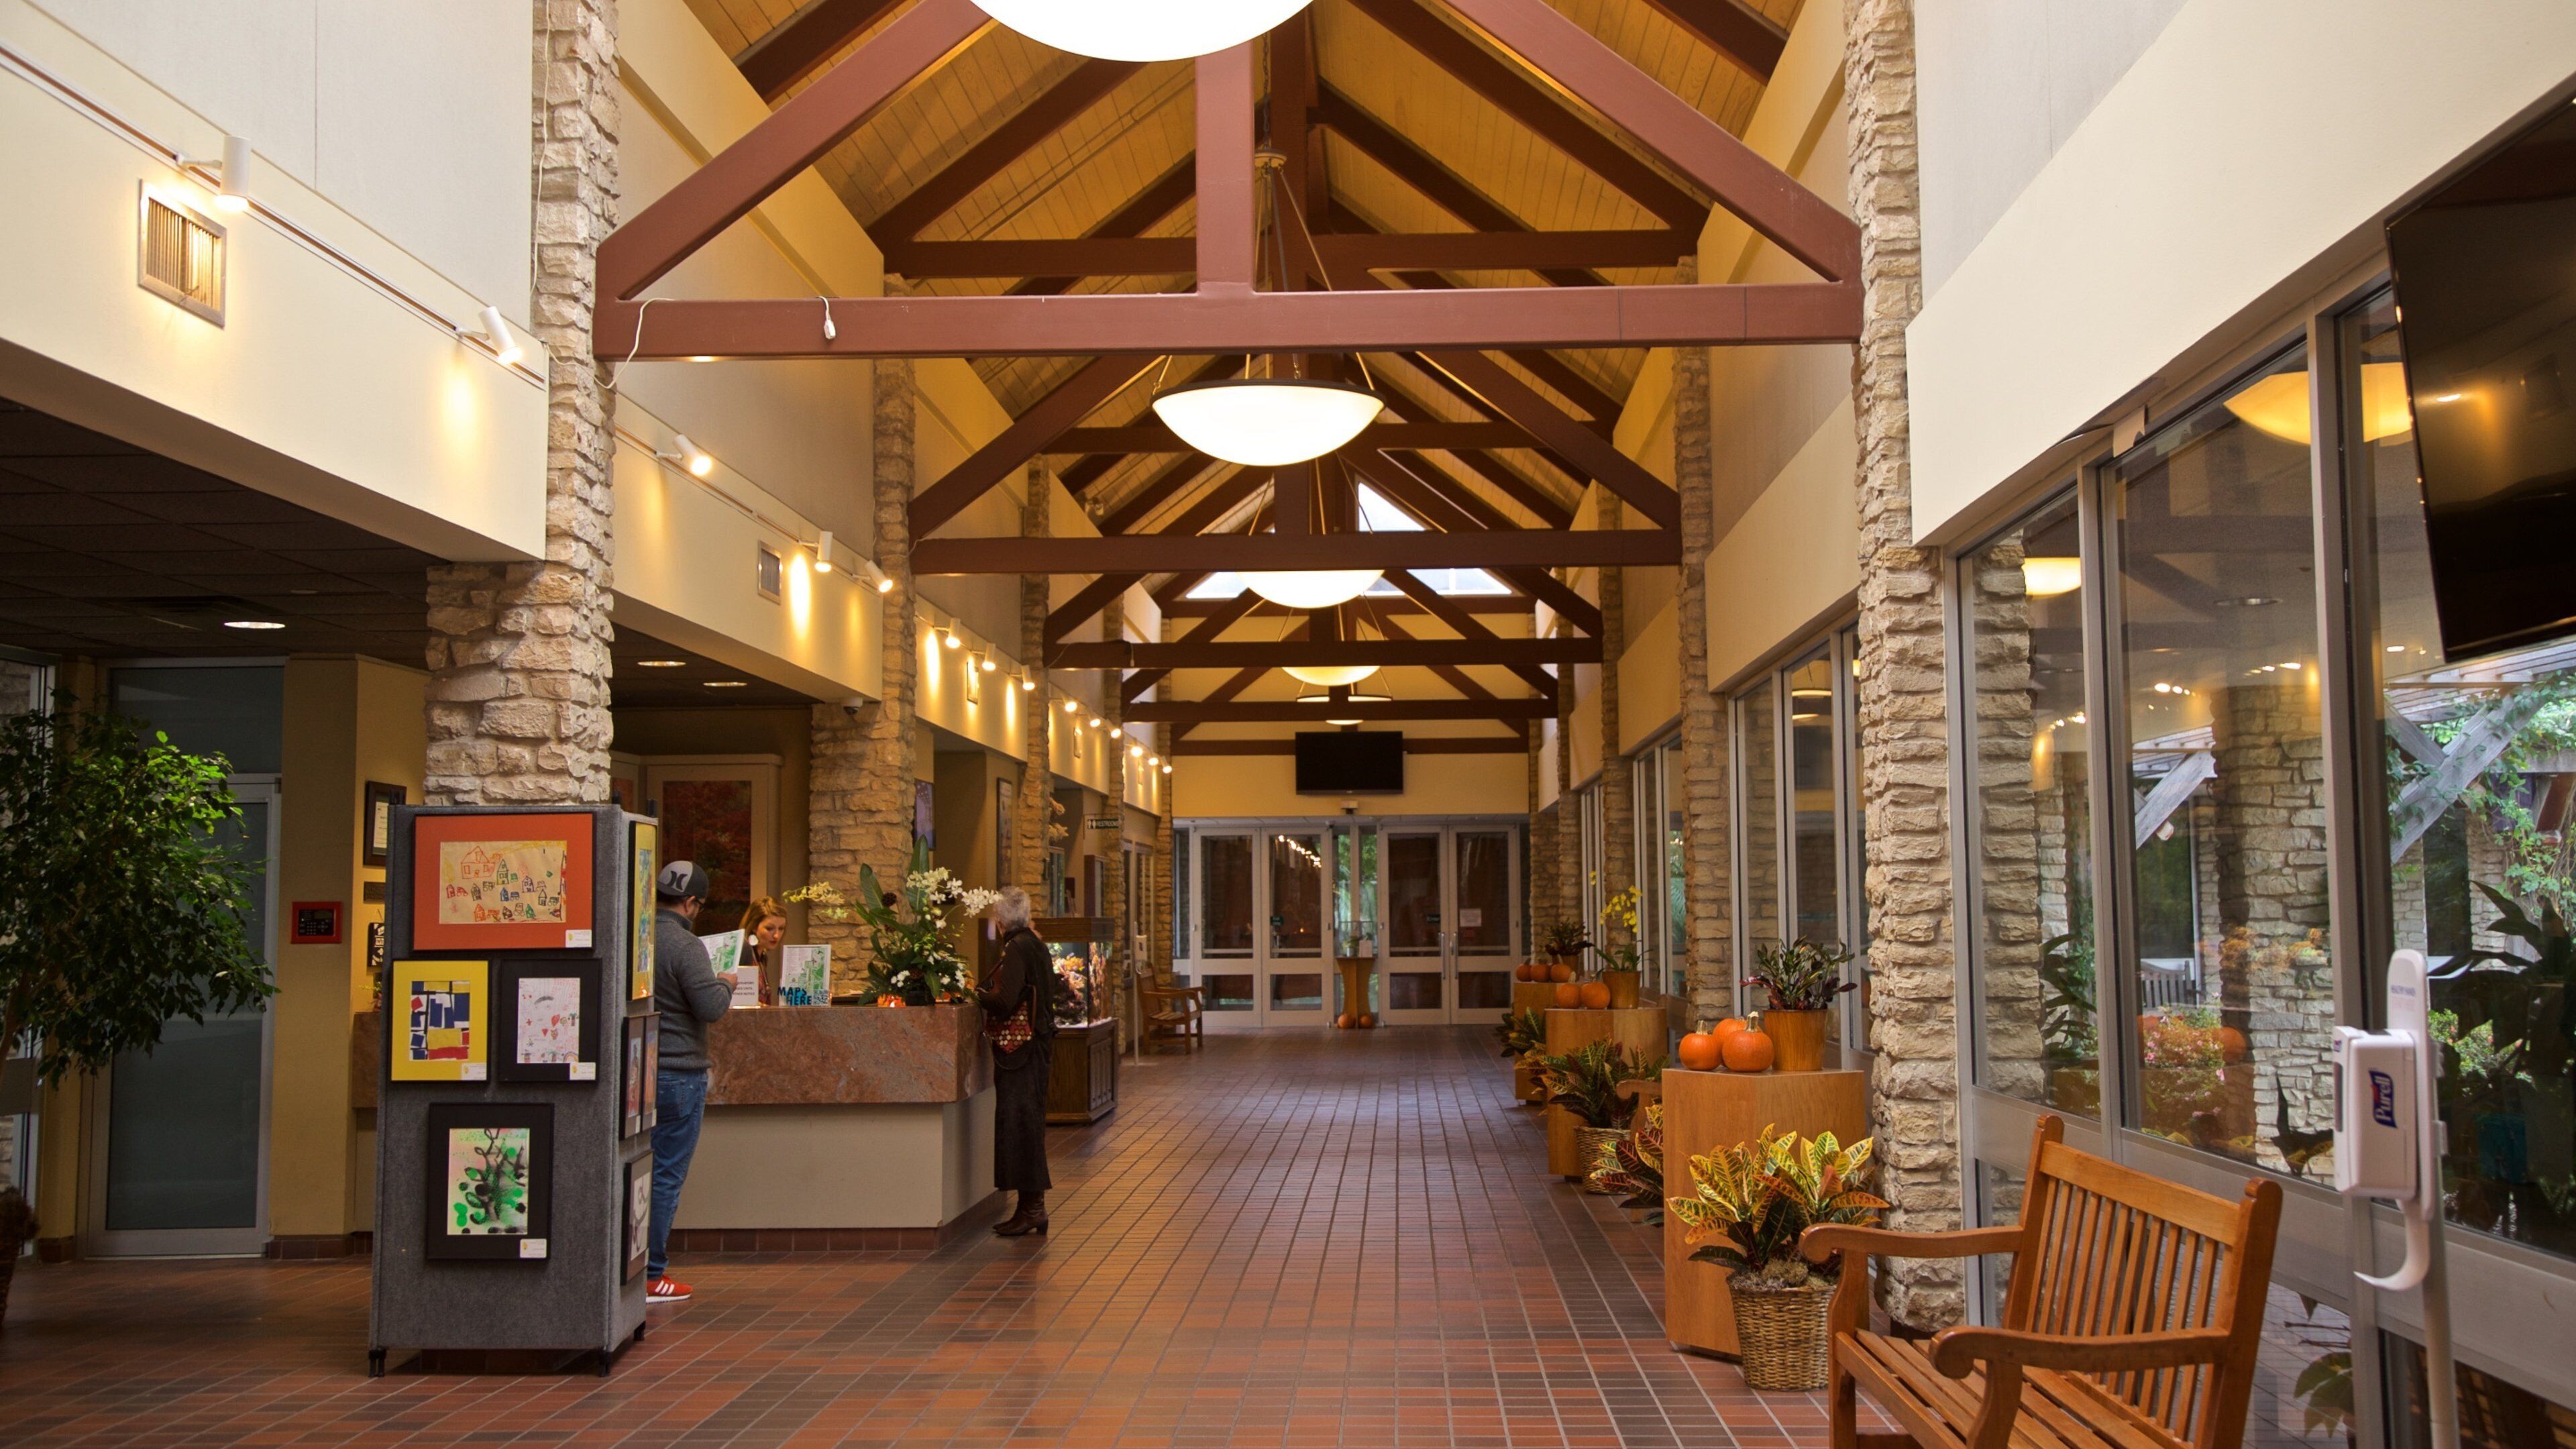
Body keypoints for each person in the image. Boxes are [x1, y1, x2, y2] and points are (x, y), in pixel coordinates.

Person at [646, 859, 736, 1303]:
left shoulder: (638, 939)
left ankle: (627, 1268)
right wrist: (726, 982)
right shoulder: (686, 946)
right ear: (692, 903)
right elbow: (710, 1008)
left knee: (637, 1170)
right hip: (680, 1073)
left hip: (639, 1071)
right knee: (666, 1174)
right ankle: (652, 1273)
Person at [977, 888, 1055, 1236]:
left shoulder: (1016, 948)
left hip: (1020, 1052)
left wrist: (975, 994)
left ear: (1000, 920)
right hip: (1037, 1046)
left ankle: (1033, 1209)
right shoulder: (1036, 944)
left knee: (1021, 1125)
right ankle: (1030, 1208)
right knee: (1029, 1124)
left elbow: (1006, 1001)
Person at [739, 895, 788, 1005]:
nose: (776, 935)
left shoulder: (762, 957)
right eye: (770, 928)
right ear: (754, 926)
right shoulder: (744, 951)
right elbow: (739, 1000)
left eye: (781, 928)